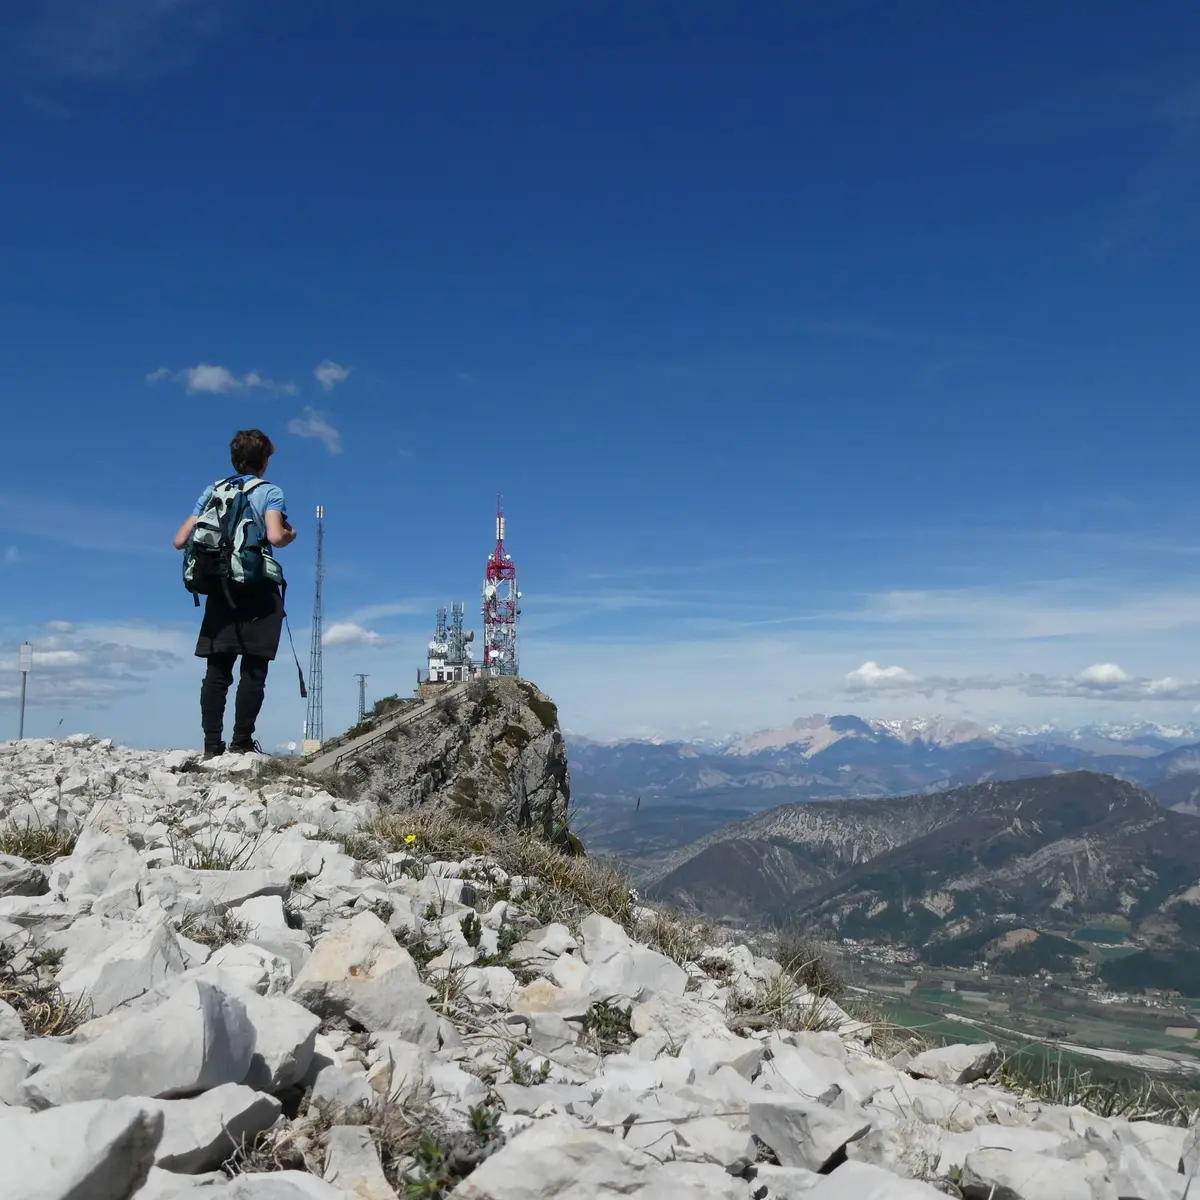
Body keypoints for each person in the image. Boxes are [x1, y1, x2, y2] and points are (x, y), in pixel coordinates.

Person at [172, 429, 297, 758]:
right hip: (258, 586)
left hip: (221, 585)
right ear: (265, 460)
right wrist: (290, 534)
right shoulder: (270, 492)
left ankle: (212, 746)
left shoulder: (214, 490)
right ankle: (241, 743)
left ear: (234, 459)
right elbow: (274, 534)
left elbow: (180, 539)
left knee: (217, 671)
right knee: (253, 670)